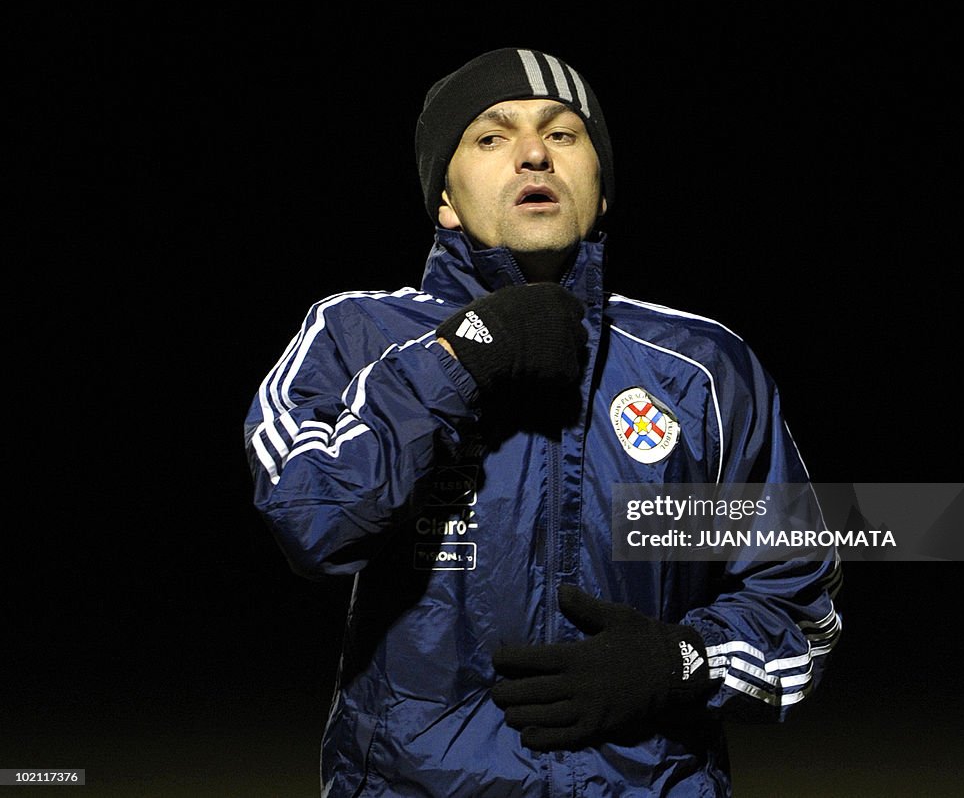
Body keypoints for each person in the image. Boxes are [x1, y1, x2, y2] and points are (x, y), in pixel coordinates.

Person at [244, 47, 842, 797]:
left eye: (563, 135)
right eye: (490, 138)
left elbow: (798, 608)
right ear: (445, 198)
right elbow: (314, 517)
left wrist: (681, 660)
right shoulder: (355, 335)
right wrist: (461, 355)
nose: (533, 153)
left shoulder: (701, 370)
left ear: (599, 186)